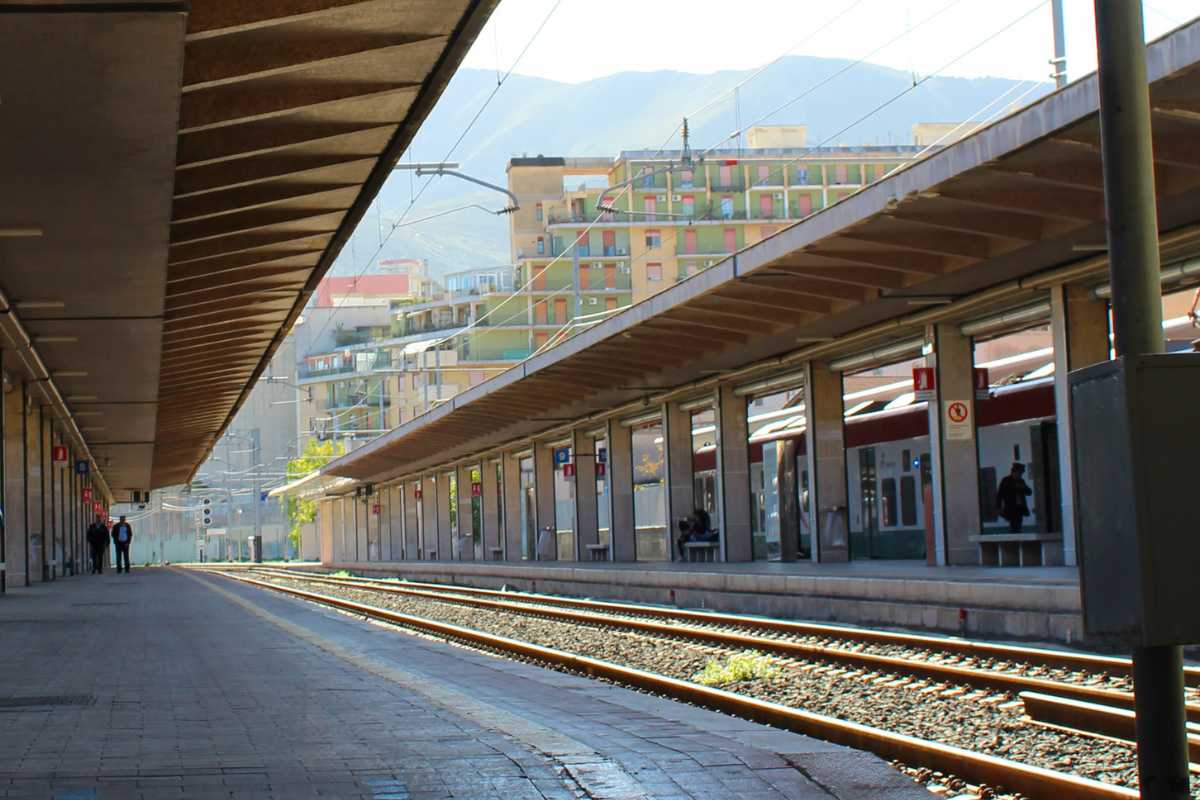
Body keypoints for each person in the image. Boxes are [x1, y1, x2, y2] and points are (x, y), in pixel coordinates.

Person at [996, 463, 1033, 533]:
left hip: (1019, 508)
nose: (1020, 475)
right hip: (1011, 508)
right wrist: (998, 507)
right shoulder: (1006, 480)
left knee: (1018, 526)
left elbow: (1029, 492)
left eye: (1021, 473)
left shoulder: (1021, 481)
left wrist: (1023, 487)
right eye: (1019, 473)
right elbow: (1000, 495)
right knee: (1014, 527)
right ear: (1014, 472)